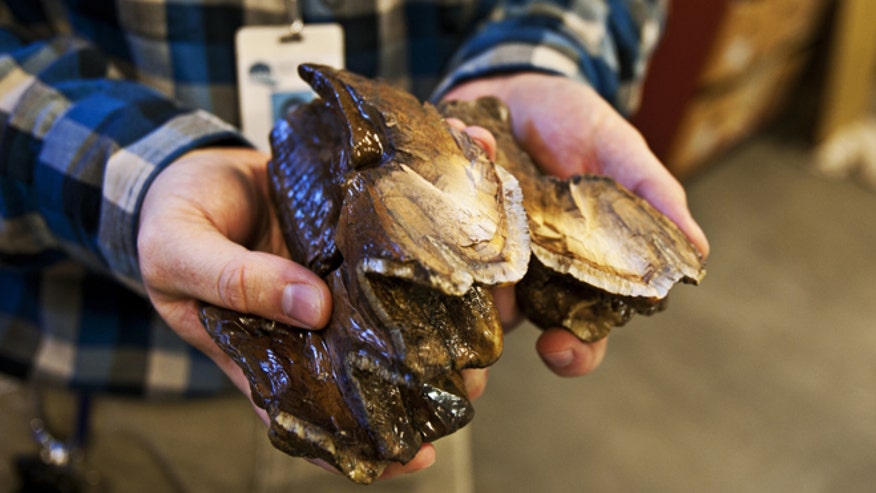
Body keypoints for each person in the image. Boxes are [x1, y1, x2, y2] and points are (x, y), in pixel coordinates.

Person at [0, 0, 709, 491]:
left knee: (416, 430)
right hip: (99, 372)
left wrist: (543, 57)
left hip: (414, 374)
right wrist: (134, 169)